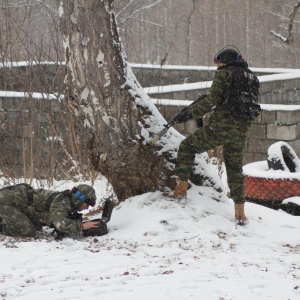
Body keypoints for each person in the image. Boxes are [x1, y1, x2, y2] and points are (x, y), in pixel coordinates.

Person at [170, 45, 260, 226]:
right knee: (235, 168)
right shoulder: (252, 77)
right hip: (241, 131)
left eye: (217, 63)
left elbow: (211, 101)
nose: (217, 67)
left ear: (222, 61)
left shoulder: (224, 74)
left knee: (187, 147)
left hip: (221, 128)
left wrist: (188, 114)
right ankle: (240, 213)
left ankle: (180, 191)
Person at [0, 183, 110, 237]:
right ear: (80, 199)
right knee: (28, 231)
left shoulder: (68, 201)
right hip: (7, 201)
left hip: (20, 204)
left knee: (37, 226)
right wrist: (82, 226)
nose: (87, 208)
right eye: (87, 204)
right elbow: (61, 224)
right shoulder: (61, 202)